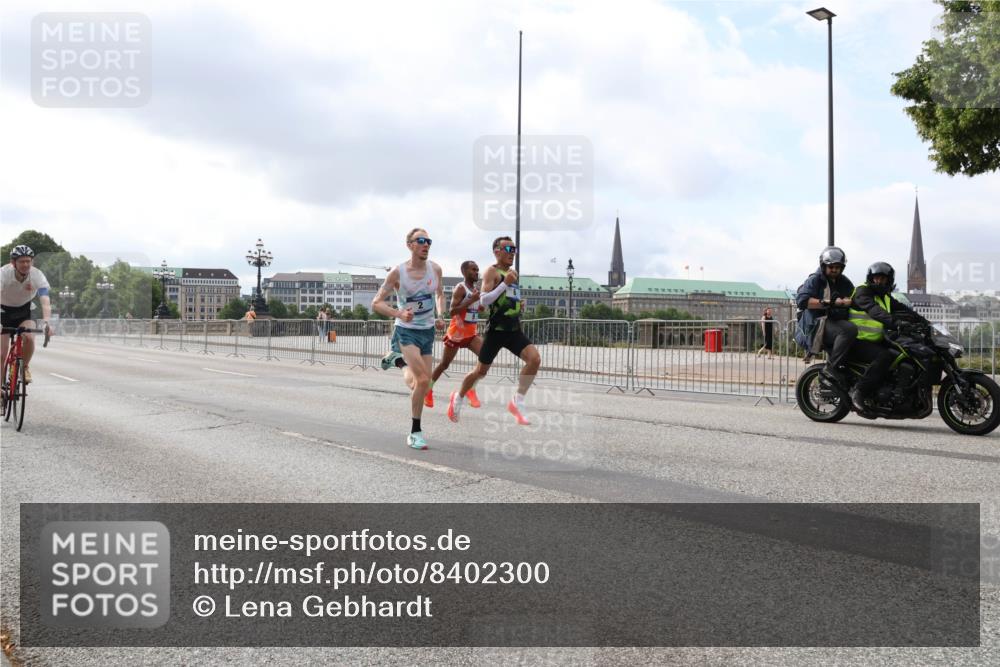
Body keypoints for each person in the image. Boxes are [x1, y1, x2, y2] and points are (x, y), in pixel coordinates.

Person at [448, 236, 541, 426]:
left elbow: (506, 298)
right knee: (481, 372)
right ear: (496, 251)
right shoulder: (492, 271)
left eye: (514, 249)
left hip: (513, 329)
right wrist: (505, 283)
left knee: (534, 359)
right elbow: (484, 300)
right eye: (508, 249)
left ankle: (517, 401)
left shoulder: (513, 273)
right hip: (496, 331)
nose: (512, 252)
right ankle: (458, 397)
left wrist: (518, 304)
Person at [371, 228, 446, 450]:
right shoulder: (398, 273)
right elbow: (376, 303)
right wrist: (399, 313)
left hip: (428, 332)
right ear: (410, 245)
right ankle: (415, 432)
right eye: (421, 241)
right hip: (406, 331)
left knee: (419, 383)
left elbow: (440, 294)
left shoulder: (436, 269)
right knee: (423, 381)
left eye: (428, 241)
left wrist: (441, 316)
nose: (426, 244)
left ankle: (397, 361)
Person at [847, 261, 927, 413]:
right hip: (857, 340)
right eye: (877, 278)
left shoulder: (885, 297)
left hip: (875, 339)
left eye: (883, 279)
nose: (879, 281)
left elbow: (906, 310)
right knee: (885, 356)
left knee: (904, 353)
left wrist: (925, 323)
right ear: (871, 278)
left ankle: (895, 390)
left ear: (889, 280)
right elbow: (875, 311)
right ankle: (859, 392)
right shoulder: (862, 292)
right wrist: (897, 323)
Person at [424, 260, 484, 409]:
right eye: (473, 270)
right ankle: (428, 389)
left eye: (477, 269)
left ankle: (470, 389)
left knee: (486, 359)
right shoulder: (460, 288)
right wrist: (472, 300)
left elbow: (473, 309)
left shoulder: (475, 289)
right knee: (444, 364)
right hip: (457, 334)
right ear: (464, 272)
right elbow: (452, 311)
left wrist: (479, 306)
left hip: (471, 334)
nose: (477, 272)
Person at [795, 246, 856, 386]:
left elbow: (854, 296)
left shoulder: (844, 281)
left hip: (834, 321)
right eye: (831, 267)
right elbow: (802, 301)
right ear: (823, 266)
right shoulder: (815, 280)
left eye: (838, 267)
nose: (834, 270)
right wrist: (829, 302)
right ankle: (830, 370)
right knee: (848, 330)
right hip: (816, 324)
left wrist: (852, 301)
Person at [1, 245, 53, 384]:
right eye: (21, 261)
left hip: (25, 310)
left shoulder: (37, 275)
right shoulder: (3, 273)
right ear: (13, 263)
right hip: (3, 311)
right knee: (1, 354)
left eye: (28, 261)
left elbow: (45, 299)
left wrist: (47, 321)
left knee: (29, 337)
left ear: (32, 262)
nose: (25, 264)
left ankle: (24, 367)